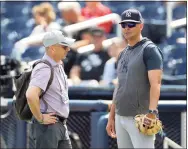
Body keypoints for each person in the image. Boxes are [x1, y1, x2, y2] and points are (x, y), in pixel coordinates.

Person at [106, 9, 163, 148]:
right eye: (124, 25)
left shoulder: (149, 49)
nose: (126, 28)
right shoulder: (122, 53)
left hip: (140, 117)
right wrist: (111, 116)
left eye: (131, 24)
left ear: (141, 26)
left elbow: (156, 84)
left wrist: (152, 112)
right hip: (120, 116)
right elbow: (119, 86)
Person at [26, 30, 75, 149]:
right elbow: (31, 95)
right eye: (64, 46)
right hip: (48, 127)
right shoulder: (44, 67)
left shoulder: (58, 65)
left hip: (59, 125)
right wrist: (40, 118)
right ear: (52, 49)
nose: (68, 49)